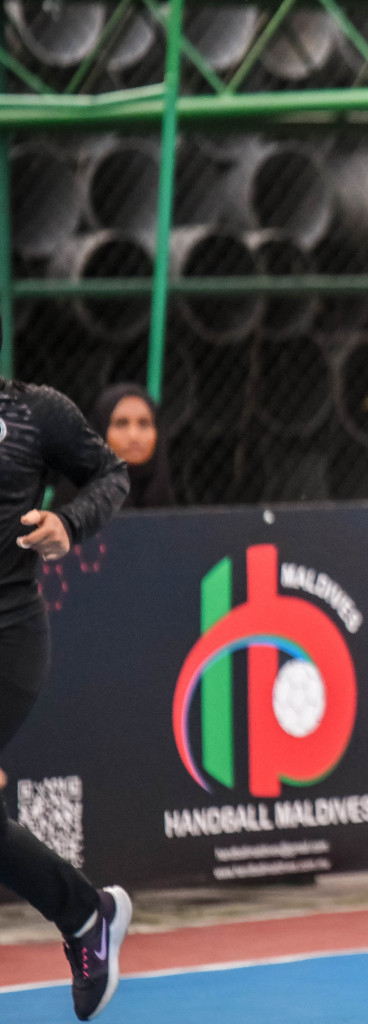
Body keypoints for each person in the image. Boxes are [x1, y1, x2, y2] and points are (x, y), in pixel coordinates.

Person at [0, 377, 133, 1020]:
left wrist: (69, 522)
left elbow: (111, 473)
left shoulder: (32, 412)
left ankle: (86, 915)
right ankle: (87, 914)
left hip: (7, 640)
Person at [91, 383, 174, 509]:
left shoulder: (166, 499)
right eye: (121, 423)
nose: (133, 436)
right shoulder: (75, 505)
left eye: (144, 423)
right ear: (101, 433)